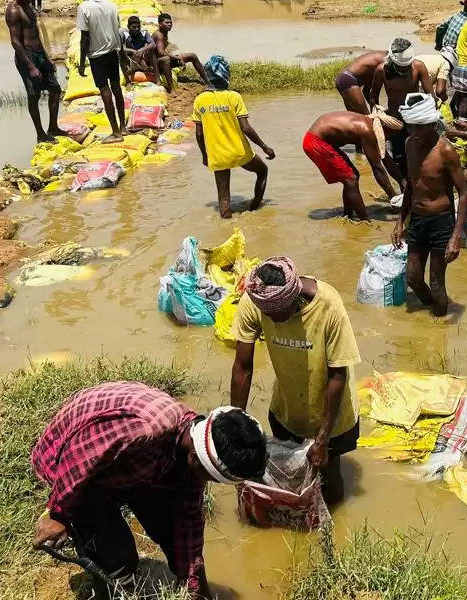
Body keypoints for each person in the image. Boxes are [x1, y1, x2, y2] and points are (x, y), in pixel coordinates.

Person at [31, 381, 267, 599]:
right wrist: (58, 512)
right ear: (196, 459)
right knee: (120, 560)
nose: (209, 484)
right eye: (214, 478)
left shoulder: (192, 447)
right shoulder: (146, 429)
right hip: (68, 456)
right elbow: (79, 455)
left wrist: (197, 590)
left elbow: (187, 529)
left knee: (169, 525)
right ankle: (107, 586)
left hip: (125, 467)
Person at [231, 257, 362, 504]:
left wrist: (323, 439)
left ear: (292, 298)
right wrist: (235, 421)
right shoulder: (257, 298)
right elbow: (242, 366)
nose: (270, 320)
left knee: (329, 480)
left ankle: (331, 537)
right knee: (288, 480)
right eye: (266, 315)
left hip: (332, 417)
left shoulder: (328, 306)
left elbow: (337, 375)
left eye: (276, 314)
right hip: (286, 411)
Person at [393, 94, 467, 317]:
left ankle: (439, 331)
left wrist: (456, 236)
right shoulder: (409, 144)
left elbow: (463, 193)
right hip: (417, 220)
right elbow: (411, 185)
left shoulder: (445, 151)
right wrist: (399, 221)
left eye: (419, 128)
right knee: (413, 278)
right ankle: (433, 311)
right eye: (411, 127)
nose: (414, 133)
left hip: (441, 222)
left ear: (431, 124)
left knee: (437, 283)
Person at [192, 56, 274, 218]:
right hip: (239, 151)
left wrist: (205, 155)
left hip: (217, 155)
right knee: (262, 171)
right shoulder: (234, 97)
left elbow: (199, 134)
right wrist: (264, 147)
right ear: (224, 74)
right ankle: (254, 209)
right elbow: (246, 128)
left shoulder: (200, 100)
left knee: (223, 198)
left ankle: (226, 225)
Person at [302, 111, 398, 220]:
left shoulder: (369, 121)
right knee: (351, 179)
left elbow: (380, 162)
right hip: (315, 142)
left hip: (318, 139)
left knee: (352, 177)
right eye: (392, 134)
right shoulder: (368, 131)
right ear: (384, 128)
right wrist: (394, 198)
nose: (389, 139)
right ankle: (364, 221)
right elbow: (377, 168)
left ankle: (348, 214)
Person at [7, 0, 63, 143]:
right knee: (34, 96)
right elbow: (15, 42)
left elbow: (36, 35)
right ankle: (40, 134)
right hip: (27, 57)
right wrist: (31, 66)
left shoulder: (29, 6)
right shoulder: (14, 11)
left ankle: (53, 127)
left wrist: (47, 57)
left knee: (55, 90)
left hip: (39, 54)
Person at [368, 37, 432, 184]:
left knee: (419, 154)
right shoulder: (381, 70)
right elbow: (373, 97)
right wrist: (376, 116)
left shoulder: (418, 67)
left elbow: (430, 96)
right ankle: (407, 187)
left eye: (406, 66)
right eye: (401, 67)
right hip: (396, 121)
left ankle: (421, 185)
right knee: (399, 157)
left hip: (415, 120)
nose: (405, 69)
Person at [76, 0, 126, 140]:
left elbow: (85, 38)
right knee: (116, 88)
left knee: (105, 91)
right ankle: (123, 127)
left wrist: (82, 62)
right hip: (113, 52)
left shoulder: (84, 8)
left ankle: (116, 132)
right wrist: (123, 53)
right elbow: (117, 31)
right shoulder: (111, 5)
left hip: (97, 56)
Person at [152, 12, 210, 91]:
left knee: (192, 56)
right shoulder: (158, 35)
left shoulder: (164, 32)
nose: (169, 24)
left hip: (162, 60)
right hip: (157, 65)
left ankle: (207, 81)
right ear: (160, 24)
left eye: (170, 23)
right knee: (166, 59)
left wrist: (176, 57)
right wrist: (177, 58)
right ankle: (171, 89)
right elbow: (160, 52)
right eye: (166, 23)